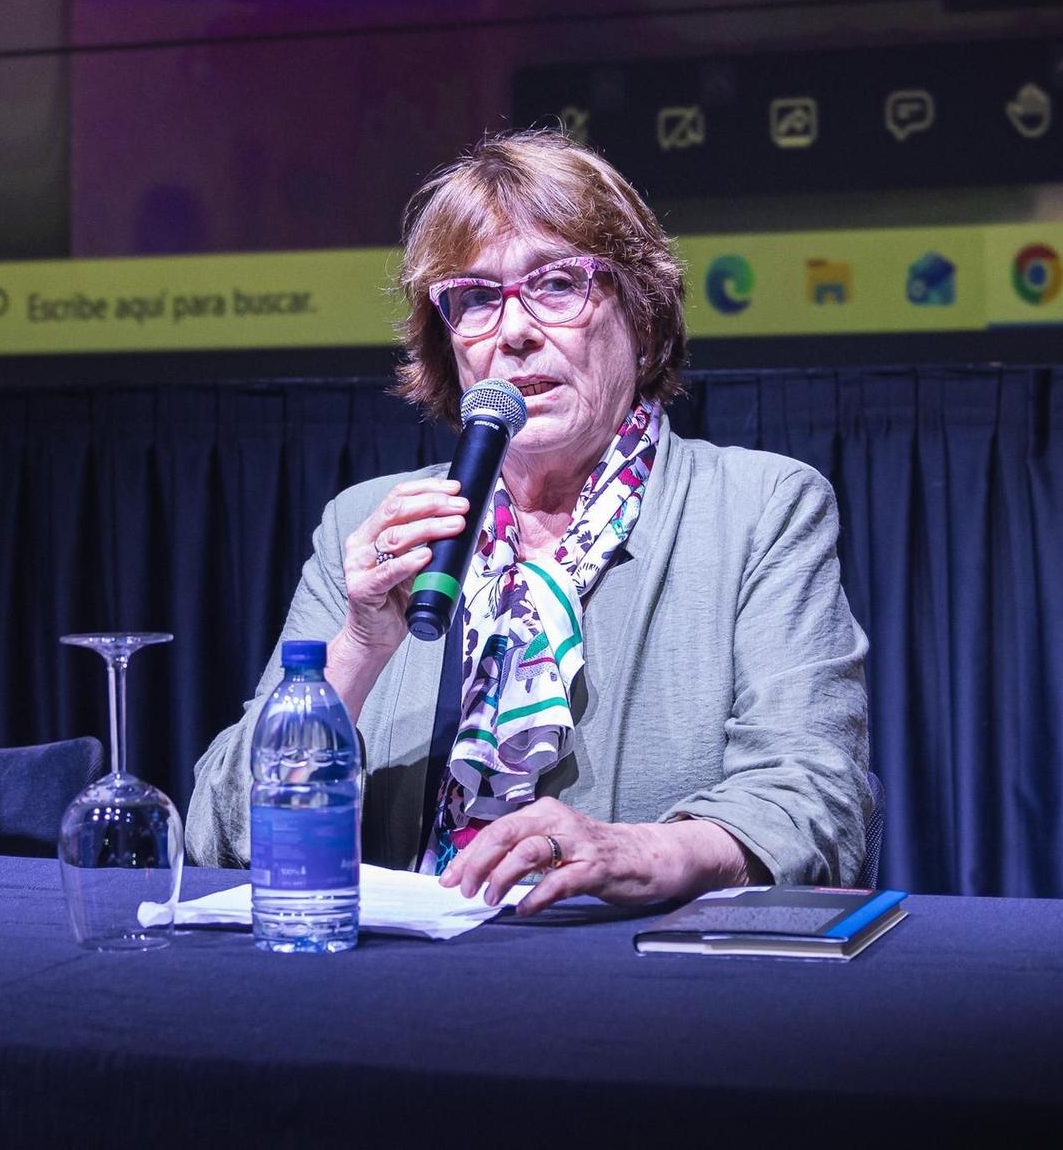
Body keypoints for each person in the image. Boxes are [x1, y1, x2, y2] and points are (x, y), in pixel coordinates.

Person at [184, 129, 870, 912]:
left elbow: (818, 796)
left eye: (555, 286)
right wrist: (358, 648)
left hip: (633, 989)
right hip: (383, 987)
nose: (513, 331)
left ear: (641, 318)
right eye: (474, 298)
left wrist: (639, 849)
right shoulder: (370, 525)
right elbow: (217, 831)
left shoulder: (760, 508)